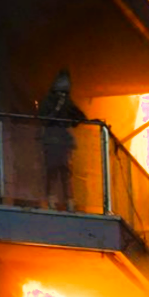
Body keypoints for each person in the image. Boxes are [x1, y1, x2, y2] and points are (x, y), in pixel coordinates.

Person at [38, 69, 87, 212]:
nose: (62, 96)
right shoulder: (47, 102)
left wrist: (73, 120)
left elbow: (80, 116)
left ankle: (69, 201)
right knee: (52, 171)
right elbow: (44, 119)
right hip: (51, 141)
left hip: (64, 142)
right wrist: (57, 109)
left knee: (66, 173)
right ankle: (51, 200)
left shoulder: (67, 103)